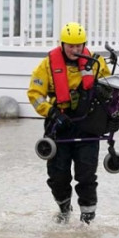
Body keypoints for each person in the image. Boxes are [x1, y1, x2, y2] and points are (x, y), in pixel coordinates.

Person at [27, 22, 110, 224]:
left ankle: (87, 222)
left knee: (87, 176)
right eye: (71, 46)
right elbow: (35, 95)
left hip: (88, 126)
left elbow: (110, 87)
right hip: (59, 127)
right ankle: (64, 210)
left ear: (84, 45)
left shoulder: (96, 63)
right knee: (58, 176)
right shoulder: (47, 65)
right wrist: (52, 112)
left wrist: (104, 93)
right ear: (62, 44)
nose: (75, 50)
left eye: (78, 46)